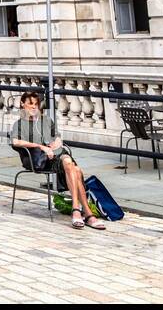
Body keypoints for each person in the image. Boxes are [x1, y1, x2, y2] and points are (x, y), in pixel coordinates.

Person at [11, 91, 104, 230]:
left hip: (56, 155)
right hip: (38, 159)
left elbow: (57, 137)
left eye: (36, 104)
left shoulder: (46, 121)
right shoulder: (19, 124)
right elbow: (15, 141)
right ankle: (87, 214)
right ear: (22, 104)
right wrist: (40, 146)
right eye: (30, 104)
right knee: (75, 169)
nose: (34, 107)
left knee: (69, 163)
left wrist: (57, 143)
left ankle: (76, 211)